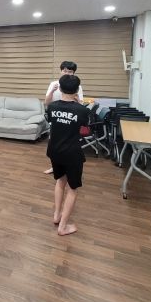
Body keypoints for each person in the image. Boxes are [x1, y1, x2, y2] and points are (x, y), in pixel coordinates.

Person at [46, 74, 91, 236]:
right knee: (73, 188)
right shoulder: (82, 110)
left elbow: (52, 119)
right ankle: (63, 227)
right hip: (72, 153)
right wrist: (79, 104)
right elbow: (85, 128)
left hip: (54, 150)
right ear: (77, 90)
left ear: (60, 88)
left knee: (60, 181)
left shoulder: (52, 107)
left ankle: (57, 215)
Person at [44, 61, 84, 174]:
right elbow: (47, 103)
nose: (66, 73)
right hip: (56, 119)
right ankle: (55, 167)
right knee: (54, 144)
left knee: (69, 145)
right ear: (61, 71)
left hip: (71, 119)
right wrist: (52, 91)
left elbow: (81, 105)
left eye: (70, 71)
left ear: (74, 73)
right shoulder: (54, 84)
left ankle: (68, 168)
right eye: (64, 71)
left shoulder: (77, 86)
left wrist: (76, 98)